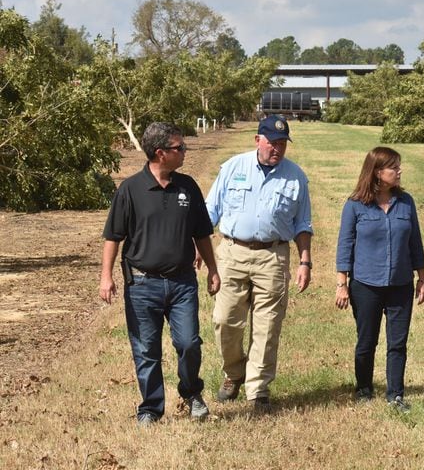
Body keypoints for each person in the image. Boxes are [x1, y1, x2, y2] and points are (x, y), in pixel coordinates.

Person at [99, 122, 220, 427]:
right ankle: (151, 409)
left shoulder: (188, 187)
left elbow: (202, 234)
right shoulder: (130, 190)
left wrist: (213, 270)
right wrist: (106, 277)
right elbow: (113, 237)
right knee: (146, 350)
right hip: (141, 284)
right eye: (179, 148)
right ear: (160, 153)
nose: (185, 152)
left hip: (182, 283)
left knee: (189, 342)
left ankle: (192, 393)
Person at [203, 114, 313, 415]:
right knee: (225, 320)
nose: (277, 149)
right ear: (257, 141)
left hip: (273, 256)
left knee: (267, 327)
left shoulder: (296, 177)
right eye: (272, 143)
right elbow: (210, 211)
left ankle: (258, 391)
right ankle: (234, 373)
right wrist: (198, 247)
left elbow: (303, 223)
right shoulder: (233, 168)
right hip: (231, 252)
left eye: (282, 144)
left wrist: (305, 261)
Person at [335, 147, 424, 413]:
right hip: (365, 285)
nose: (399, 171)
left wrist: (422, 278)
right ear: (377, 172)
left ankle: (395, 394)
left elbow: (415, 243)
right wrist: (342, 284)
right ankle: (364, 387)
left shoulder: (406, 202)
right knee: (367, 340)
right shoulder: (355, 205)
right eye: (393, 167)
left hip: (400, 285)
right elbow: (345, 246)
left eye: (399, 166)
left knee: (398, 342)